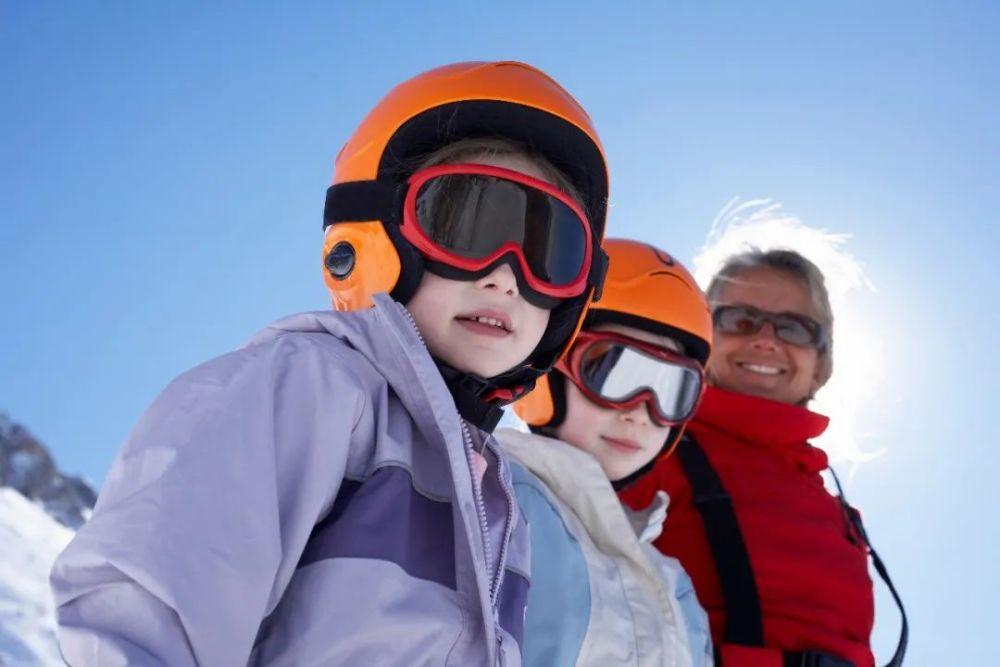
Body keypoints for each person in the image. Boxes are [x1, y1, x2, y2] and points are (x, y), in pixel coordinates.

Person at [49, 61, 611, 667]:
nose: (506, 277)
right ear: (375, 236)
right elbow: (145, 611)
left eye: (548, 252)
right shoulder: (306, 387)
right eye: (468, 224)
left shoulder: (495, 496)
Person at [621, 249, 903, 667]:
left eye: (794, 328)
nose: (766, 339)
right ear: (703, 336)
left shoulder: (837, 510)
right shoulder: (645, 449)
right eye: (740, 320)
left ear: (821, 365)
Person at [500, 238, 715, 667]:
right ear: (548, 365)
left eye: (672, 389)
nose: (639, 411)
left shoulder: (674, 586)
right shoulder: (491, 499)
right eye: (613, 369)